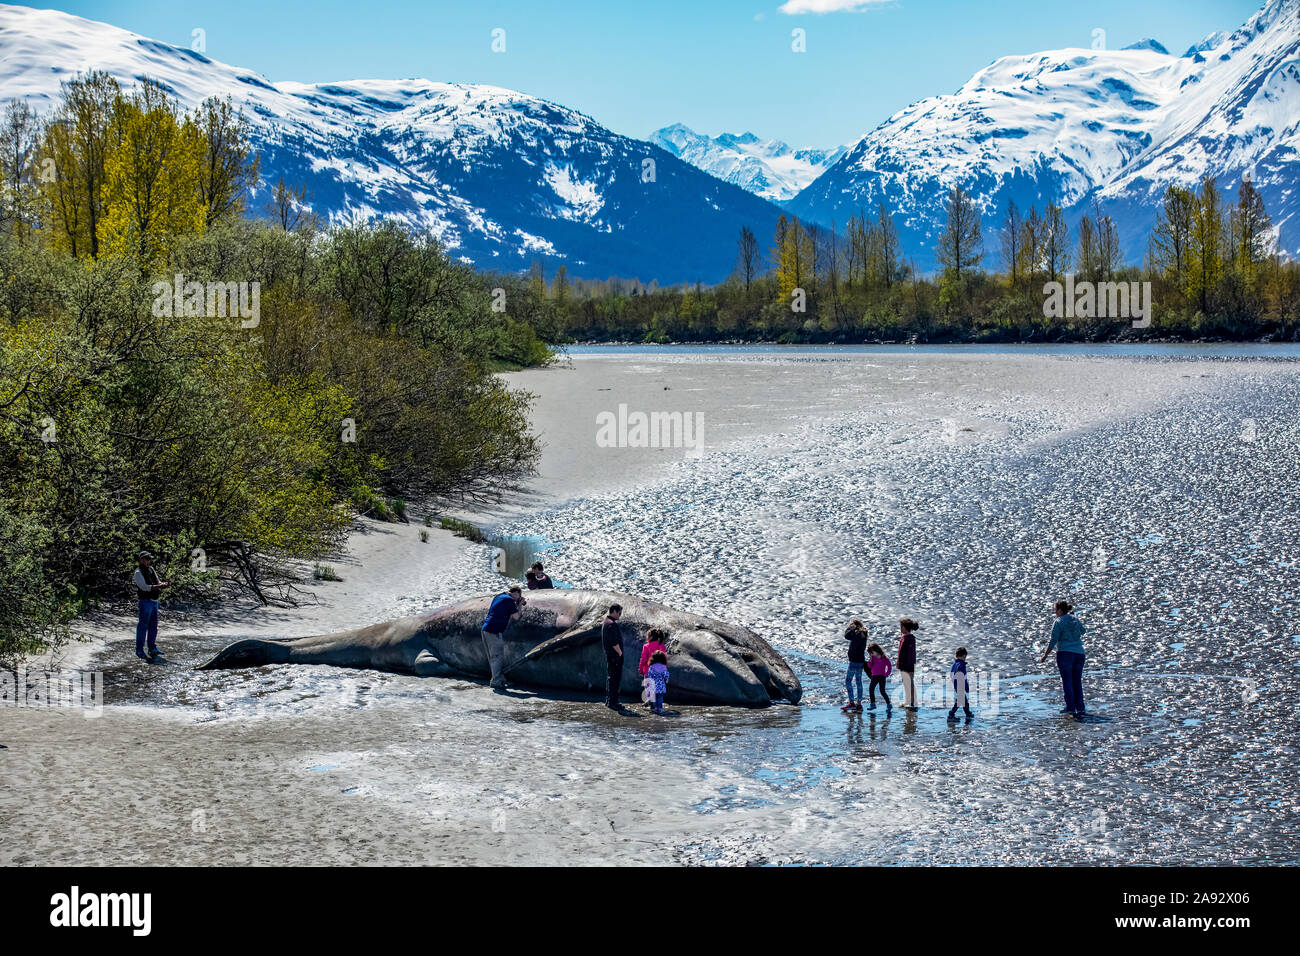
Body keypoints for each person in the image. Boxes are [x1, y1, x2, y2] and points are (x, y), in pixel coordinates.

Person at [1041, 600, 1087, 718]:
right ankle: (1080, 707)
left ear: (1060, 610)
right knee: (1077, 681)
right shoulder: (1075, 619)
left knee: (1067, 681)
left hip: (1065, 653)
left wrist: (1045, 655)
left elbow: (1053, 639)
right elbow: (1083, 631)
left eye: (1055, 610)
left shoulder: (1059, 621)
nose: (1055, 612)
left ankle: (1070, 708)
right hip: (1079, 653)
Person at [481, 585, 526, 690]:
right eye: (519, 596)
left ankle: (499, 678)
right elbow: (516, 616)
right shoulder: (509, 600)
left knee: (492, 657)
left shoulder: (499, 596)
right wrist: (518, 605)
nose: (519, 598)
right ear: (516, 593)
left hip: (485, 629)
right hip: (494, 631)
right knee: (497, 657)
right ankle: (496, 682)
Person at [132, 551, 168, 660]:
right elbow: (144, 587)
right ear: (141, 560)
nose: (149, 561)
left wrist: (164, 584)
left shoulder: (151, 570)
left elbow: (157, 581)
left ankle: (152, 648)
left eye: (149, 559)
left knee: (153, 626)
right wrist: (159, 586)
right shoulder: (138, 573)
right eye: (147, 559)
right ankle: (139, 650)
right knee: (143, 626)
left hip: (154, 601)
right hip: (145, 601)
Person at [841, 619, 868, 713]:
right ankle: (859, 704)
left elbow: (846, 636)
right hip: (860, 661)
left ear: (855, 625)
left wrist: (850, 628)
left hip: (854, 662)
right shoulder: (863, 634)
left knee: (848, 681)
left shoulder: (856, 633)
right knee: (858, 682)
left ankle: (852, 703)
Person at [601, 603, 624, 709]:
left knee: (611, 678)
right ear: (614, 611)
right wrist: (620, 653)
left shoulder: (606, 622)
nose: (620, 615)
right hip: (614, 657)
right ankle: (613, 703)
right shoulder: (611, 624)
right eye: (619, 613)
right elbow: (614, 642)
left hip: (611, 656)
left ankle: (609, 701)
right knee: (614, 679)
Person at [897, 618, 920, 711]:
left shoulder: (909, 638)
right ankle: (908, 701)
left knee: (909, 683)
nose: (900, 628)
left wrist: (907, 666)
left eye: (901, 626)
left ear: (905, 627)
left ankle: (913, 703)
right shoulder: (904, 638)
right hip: (904, 665)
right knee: (906, 683)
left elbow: (909, 654)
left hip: (908, 665)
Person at [948, 646, 973, 722]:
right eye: (965, 656)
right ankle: (951, 714)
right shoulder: (961, 665)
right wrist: (966, 686)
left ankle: (968, 713)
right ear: (964, 655)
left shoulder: (955, 664)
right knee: (960, 701)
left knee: (964, 700)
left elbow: (951, 675)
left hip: (956, 685)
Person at [866, 642, 893, 711]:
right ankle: (873, 704)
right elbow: (869, 666)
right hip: (874, 676)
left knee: (882, 691)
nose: (871, 654)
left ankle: (888, 704)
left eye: (872, 652)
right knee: (871, 689)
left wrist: (887, 674)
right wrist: (870, 660)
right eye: (870, 653)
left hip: (882, 676)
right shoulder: (873, 658)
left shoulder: (884, 658)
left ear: (877, 650)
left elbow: (889, 666)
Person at [647, 650, 670, 715]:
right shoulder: (663, 667)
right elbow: (666, 674)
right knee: (660, 697)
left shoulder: (651, 667)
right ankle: (660, 708)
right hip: (661, 685)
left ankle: (654, 708)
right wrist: (667, 679)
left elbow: (649, 675)